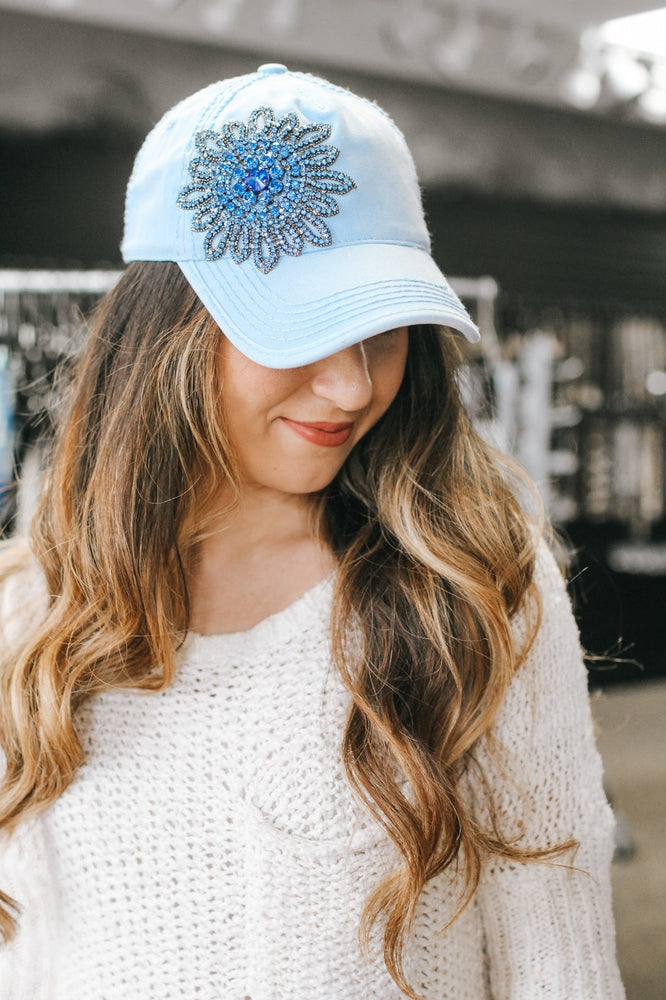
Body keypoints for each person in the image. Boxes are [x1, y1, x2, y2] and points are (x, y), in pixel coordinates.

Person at [0, 64, 624, 1000]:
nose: (353, 386)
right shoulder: (33, 610)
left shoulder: (467, 584)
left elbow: (558, 958)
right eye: (299, 327)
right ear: (170, 329)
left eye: (384, 328)